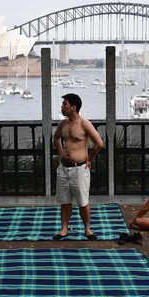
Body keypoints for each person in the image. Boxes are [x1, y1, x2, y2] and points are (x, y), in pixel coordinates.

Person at [53, 93, 103, 241]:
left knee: (82, 201)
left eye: (65, 104)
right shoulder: (63, 124)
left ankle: (87, 229)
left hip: (79, 168)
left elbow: (99, 143)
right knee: (65, 200)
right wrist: (61, 153)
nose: (62, 107)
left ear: (73, 107)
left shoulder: (84, 123)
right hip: (64, 167)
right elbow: (56, 138)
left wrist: (90, 159)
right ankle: (64, 229)